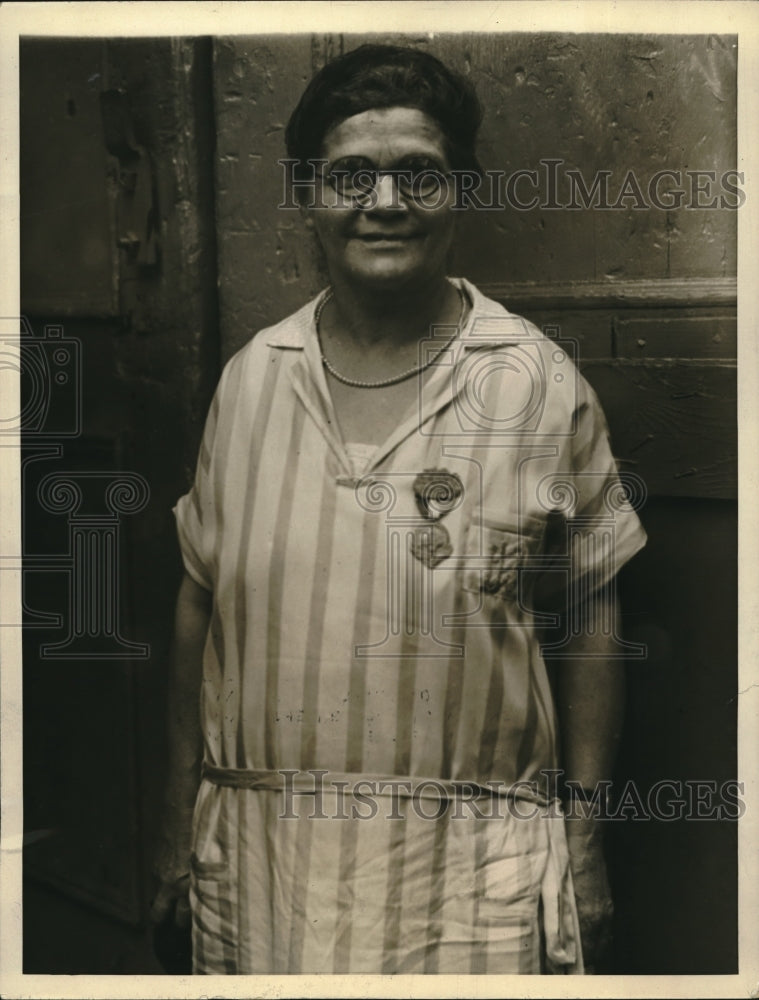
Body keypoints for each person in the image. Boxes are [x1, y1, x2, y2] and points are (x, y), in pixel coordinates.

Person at [151, 43, 647, 975]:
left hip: (469, 880)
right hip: (263, 868)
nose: (384, 203)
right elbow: (197, 603)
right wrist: (174, 825)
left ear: (461, 191)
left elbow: (589, 618)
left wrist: (583, 845)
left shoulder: (536, 383)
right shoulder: (252, 381)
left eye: (418, 175)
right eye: (351, 176)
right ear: (308, 194)